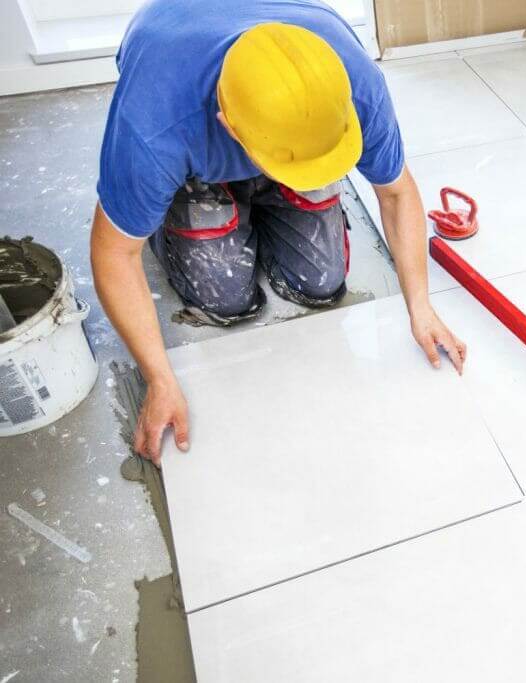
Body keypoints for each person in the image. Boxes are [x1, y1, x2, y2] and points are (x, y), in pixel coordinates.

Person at [89, 0, 466, 466]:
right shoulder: (156, 122)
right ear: (229, 126)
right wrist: (159, 378)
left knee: (321, 282)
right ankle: (182, 202)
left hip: (278, 114)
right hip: (191, 124)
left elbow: (396, 192)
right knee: (225, 296)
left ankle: (273, 183)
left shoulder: (349, 83)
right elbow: (113, 252)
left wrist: (421, 307)